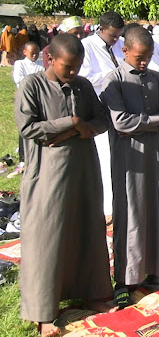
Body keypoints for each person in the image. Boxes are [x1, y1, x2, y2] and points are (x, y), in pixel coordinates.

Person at [15, 34, 114, 336]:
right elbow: (29, 127)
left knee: (87, 228)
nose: (73, 73)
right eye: (67, 67)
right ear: (50, 59)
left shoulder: (83, 86)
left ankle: (92, 292)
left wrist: (83, 129)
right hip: (47, 174)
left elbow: (102, 119)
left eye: (78, 67)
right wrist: (71, 123)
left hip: (83, 169)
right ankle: (43, 311)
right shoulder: (32, 86)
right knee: (48, 236)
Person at [99, 27, 159, 306]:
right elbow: (121, 123)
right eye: (139, 57)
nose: (144, 62)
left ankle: (158, 270)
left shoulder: (156, 78)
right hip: (129, 160)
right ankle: (125, 278)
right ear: (125, 51)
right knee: (131, 215)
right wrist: (157, 121)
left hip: (158, 155)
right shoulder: (115, 80)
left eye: (148, 56)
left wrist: (150, 121)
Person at [80, 11, 126, 218]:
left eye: (118, 36)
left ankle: (123, 200)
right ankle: (108, 207)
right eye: (112, 36)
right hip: (100, 105)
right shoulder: (87, 46)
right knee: (105, 156)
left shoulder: (121, 43)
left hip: (123, 105)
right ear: (101, 29)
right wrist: (112, 75)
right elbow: (85, 77)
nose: (115, 40)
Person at [10, 42, 44, 176]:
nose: (35, 55)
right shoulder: (20, 64)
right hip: (25, 99)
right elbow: (18, 79)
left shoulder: (40, 65)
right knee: (25, 126)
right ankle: (23, 157)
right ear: (25, 52)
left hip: (39, 99)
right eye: (32, 53)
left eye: (37, 53)